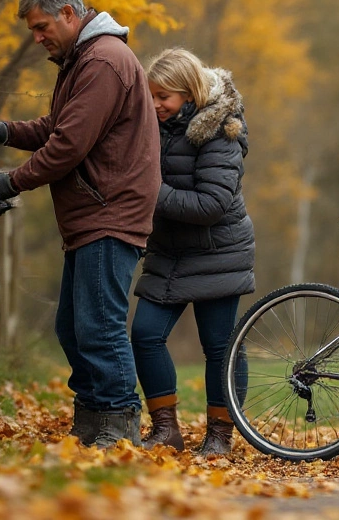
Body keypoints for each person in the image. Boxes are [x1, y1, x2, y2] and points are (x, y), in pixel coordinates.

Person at [0, 0, 161, 449]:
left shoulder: (103, 61)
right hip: (92, 213)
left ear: (69, 14)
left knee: (100, 324)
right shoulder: (83, 59)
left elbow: (67, 145)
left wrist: (11, 180)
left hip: (109, 210)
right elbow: (54, 126)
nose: (38, 38)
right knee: (73, 324)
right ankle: (92, 417)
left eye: (42, 27)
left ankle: (119, 420)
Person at [130, 48, 254, 457]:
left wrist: (151, 192)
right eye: (151, 95)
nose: (155, 104)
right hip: (170, 251)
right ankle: (166, 428)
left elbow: (210, 205)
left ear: (189, 93)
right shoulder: (159, 126)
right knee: (145, 335)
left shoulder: (222, 131)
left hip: (218, 251)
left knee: (219, 347)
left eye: (163, 96)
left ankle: (220, 434)